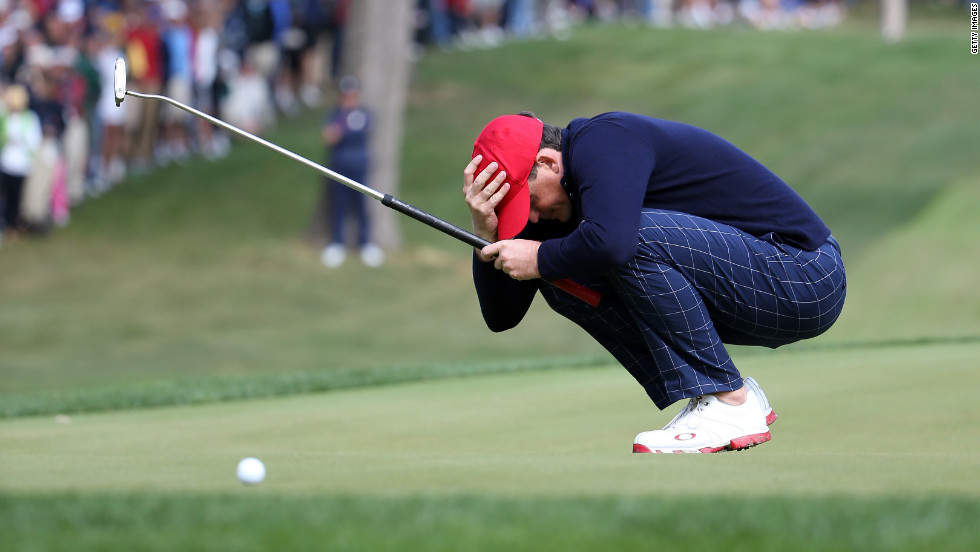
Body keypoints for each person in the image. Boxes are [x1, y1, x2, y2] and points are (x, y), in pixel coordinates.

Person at [462, 111, 846, 453]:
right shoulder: (560, 205)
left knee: (623, 239)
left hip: (803, 274)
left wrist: (539, 256)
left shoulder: (604, 140)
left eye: (528, 202)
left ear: (547, 162)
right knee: (562, 271)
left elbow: (614, 242)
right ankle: (713, 397)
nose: (532, 217)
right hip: (757, 288)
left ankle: (730, 400)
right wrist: (488, 233)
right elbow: (502, 316)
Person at [319, 75, 384, 269]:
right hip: (339, 166)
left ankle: (365, 243)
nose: (349, 98)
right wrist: (343, 125)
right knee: (339, 204)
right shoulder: (335, 114)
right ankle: (337, 243)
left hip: (360, 166)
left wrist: (343, 130)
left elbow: (362, 130)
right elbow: (330, 137)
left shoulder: (364, 114)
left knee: (361, 204)